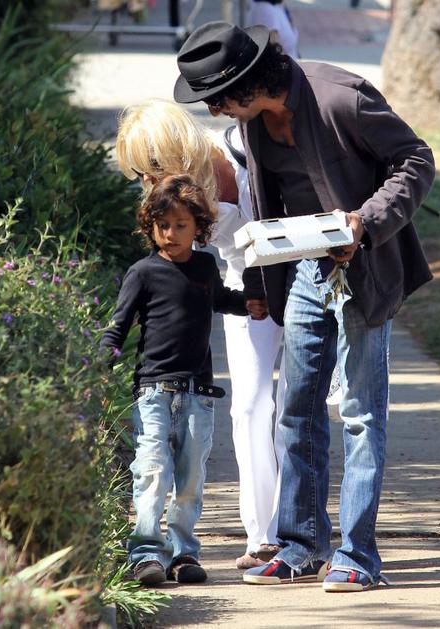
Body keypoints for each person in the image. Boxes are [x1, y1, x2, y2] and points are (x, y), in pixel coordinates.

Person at [174, 21, 435, 591]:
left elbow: (416, 159)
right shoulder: (253, 125)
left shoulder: (341, 97)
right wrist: (260, 282)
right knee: (296, 410)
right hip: (304, 273)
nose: (214, 110)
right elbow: (266, 208)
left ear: (246, 82)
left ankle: (358, 557)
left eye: (216, 97)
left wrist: (365, 222)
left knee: (361, 414)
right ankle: (300, 546)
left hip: (364, 267)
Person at [115, 99, 285, 570]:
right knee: (250, 407)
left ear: (175, 148)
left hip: (296, 276)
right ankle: (263, 536)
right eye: (141, 174)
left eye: (150, 167)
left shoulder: (238, 155)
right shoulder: (176, 200)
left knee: (294, 406)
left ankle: (297, 528)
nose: (148, 182)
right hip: (244, 284)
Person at [100, 174, 266, 585]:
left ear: (199, 228)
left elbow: (220, 299)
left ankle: (183, 554)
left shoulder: (206, 267)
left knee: (190, 479)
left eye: (180, 225)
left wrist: (248, 304)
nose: (170, 234)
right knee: (152, 472)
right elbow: (117, 328)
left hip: (198, 395)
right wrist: (98, 369)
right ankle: (145, 555)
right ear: (150, 226)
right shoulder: (143, 272)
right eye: (162, 225)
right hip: (153, 392)